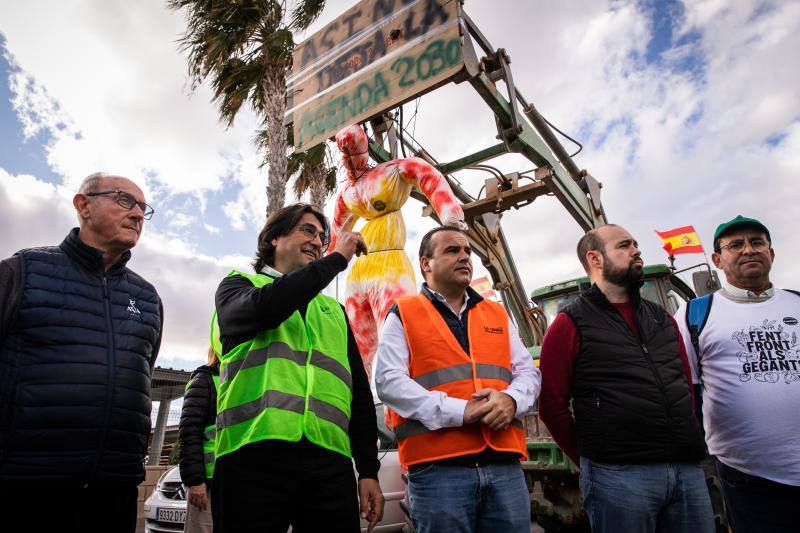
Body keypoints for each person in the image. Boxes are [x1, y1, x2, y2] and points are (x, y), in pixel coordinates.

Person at [0, 172, 163, 533]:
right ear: (83, 205)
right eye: (125, 200)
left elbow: (141, 376)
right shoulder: (22, 271)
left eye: (143, 208)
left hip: (113, 491)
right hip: (26, 485)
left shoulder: (148, 298)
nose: (138, 214)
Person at [212, 203, 384, 532]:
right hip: (252, 456)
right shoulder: (238, 286)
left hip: (329, 462)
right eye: (307, 230)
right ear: (274, 238)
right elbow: (266, 308)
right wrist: (337, 259)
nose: (318, 242)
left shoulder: (333, 311)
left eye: (322, 237)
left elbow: (359, 394)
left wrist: (368, 471)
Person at [538, 224, 713, 533]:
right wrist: (595, 459)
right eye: (624, 245)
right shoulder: (568, 324)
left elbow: (686, 386)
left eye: (635, 243)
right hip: (619, 477)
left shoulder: (662, 318)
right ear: (595, 259)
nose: (636, 250)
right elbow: (552, 406)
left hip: (686, 471)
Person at [375, 226, 540, 533]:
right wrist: (459, 410)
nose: (464, 256)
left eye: (467, 251)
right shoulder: (404, 312)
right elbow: (387, 381)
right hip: (438, 473)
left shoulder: (496, 313)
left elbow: (528, 372)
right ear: (426, 263)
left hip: (504, 467)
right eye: (452, 250)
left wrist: (511, 399)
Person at [675, 215, 800, 533]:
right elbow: (683, 388)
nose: (748, 250)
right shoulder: (694, 314)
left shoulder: (796, 303)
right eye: (735, 245)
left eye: (757, 242)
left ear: (771, 253)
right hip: (748, 478)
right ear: (717, 259)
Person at [330, 124, 466, 378]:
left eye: (353, 148)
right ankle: (359, 405)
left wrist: (450, 215)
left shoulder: (391, 171)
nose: (349, 156)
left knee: (400, 339)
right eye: (344, 150)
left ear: (363, 148)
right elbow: (337, 228)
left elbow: (427, 174)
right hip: (359, 271)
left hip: (390, 266)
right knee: (357, 345)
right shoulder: (347, 192)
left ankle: (407, 403)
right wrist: (324, 264)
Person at [179, 347, 220, 533]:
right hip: (207, 486)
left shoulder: (241, 380)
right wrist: (195, 482)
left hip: (235, 481)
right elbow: (189, 434)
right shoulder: (204, 380)